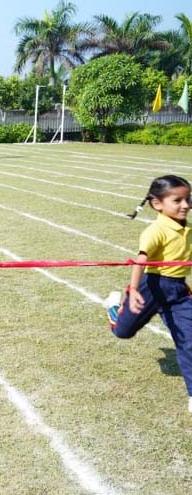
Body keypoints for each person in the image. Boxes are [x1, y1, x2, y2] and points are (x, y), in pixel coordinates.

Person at [105, 175, 192, 412]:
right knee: (123, 332)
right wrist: (133, 290)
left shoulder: (187, 229)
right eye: (177, 200)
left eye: (188, 199)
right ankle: (114, 307)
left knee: (189, 340)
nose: (185, 205)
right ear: (157, 204)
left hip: (178, 290)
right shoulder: (156, 231)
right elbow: (141, 260)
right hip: (151, 287)